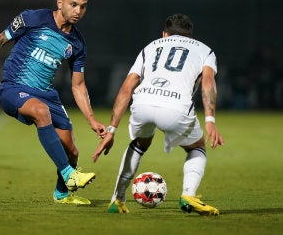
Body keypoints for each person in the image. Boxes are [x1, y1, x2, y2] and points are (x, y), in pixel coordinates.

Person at [0, 0, 106, 205]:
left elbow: (78, 85)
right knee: (41, 111)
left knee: (72, 152)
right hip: (14, 88)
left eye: (83, 6)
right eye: (73, 4)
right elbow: (0, 40)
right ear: (60, 3)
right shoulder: (33, 18)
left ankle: (62, 194)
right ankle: (68, 175)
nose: (78, 11)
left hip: (46, 93)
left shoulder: (77, 43)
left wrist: (92, 120)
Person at [92, 14, 224, 216]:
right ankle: (188, 195)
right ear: (191, 35)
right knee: (197, 147)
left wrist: (111, 130)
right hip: (176, 106)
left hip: (142, 102)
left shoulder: (151, 46)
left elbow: (127, 87)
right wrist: (210, 120)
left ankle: (117, 200)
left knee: (139, 144)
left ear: (164, 34)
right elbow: (208, 83)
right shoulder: (205, 50)